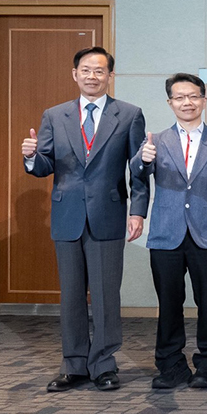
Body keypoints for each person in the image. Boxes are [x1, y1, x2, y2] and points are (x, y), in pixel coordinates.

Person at [22, 46, 148, 392]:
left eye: (100, 71)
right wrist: (32, 157)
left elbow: (138, 170)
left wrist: (138, 211)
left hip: (108, 213)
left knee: (106, 295)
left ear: (110, 76)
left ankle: (104, 364)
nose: (93, 76)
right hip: (67, 216)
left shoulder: (129, 115)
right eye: (86, 70)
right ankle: (74, 364)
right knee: (72, 295)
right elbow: (45, 165)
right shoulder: (55, 115)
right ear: (74, 74)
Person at [131, 73, 207, 389]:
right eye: (179, 97)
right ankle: (171, 366)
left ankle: (206, 364)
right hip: (166, 234)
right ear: (170, 103)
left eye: (193, 96)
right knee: (169, 303)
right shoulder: (155, 141)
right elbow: (137, 176)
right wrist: (142, 160)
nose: (187, 102)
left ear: (204, 100)